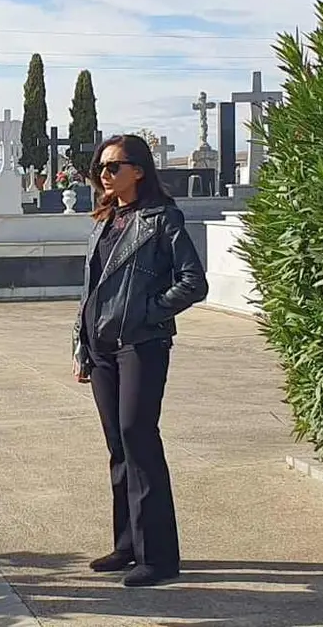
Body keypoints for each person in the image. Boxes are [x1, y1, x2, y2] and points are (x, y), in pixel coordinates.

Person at [71, 134, 208, 588]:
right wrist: (82, 346)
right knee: (118, 445)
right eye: (100, 168)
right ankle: (128, 544)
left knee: (138, 436)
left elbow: (193, 282)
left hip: (141, 344)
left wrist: (148, 313)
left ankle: (159, 557)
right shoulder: (106, 220)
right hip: (102, 347)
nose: (103, 175)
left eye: (112, 167)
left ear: (139, 171)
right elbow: (91, 290)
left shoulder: (161, 219)